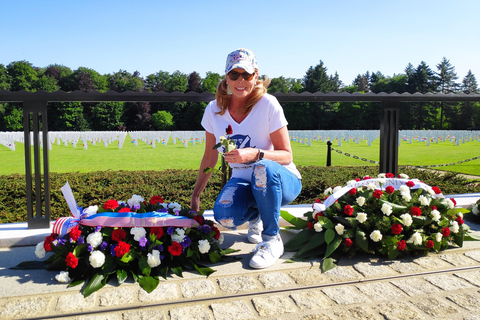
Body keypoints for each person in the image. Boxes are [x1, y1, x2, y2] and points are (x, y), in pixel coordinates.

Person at [191, 48, 302, 269]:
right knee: (224, 216)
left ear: (256, 76)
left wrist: (255, 153)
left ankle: (271, 240)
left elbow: (287, 155)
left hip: (281, 178)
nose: (240, 80)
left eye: (247, 75)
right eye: (234, 75)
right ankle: (256, 217)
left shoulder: (268, 104)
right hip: (245, 180)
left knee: (261, 168)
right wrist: (196, 195)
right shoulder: (213, 110)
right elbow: (209, 157)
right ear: (226, 77)